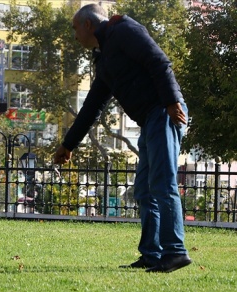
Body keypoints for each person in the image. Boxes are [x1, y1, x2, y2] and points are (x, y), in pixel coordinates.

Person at [53, 4, 192, 273]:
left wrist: (172, 101)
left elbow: (158, 61)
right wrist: (68, 144)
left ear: (88, 25)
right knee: (144, 189)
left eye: (74, 29)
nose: (74, 36)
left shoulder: (124, 30)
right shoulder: (104, 58)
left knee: (162, 185)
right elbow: (92, 106)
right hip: (150, 121)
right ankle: (152, 254)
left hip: (164, 112)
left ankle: (175, 251)